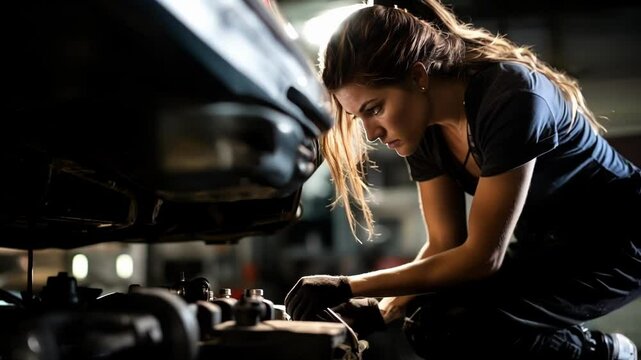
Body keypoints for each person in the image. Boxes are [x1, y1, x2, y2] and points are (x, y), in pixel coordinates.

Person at [283, 1, 641, 359]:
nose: (372, 132)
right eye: (359, 117)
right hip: (545, 243)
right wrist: (383, 310)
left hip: (618, 240)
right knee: (430, 322)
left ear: (419, 77)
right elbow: (444, 243)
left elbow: (482, 257)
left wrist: (348, 287)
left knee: (456, 323)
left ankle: (604, 354)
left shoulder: (511, 96)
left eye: (375, 109)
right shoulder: (424, 132)